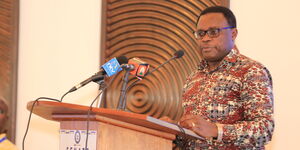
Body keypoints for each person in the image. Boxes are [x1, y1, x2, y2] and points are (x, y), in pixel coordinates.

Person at [162, 6, 274, 149]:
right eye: (200, 33)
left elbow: (264, 129)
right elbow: (196, 135)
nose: (206, 39)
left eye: (214, 32)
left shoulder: (251, 71)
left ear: (233, 34)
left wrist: (217, 130)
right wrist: (175, 130)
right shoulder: (194, 77)